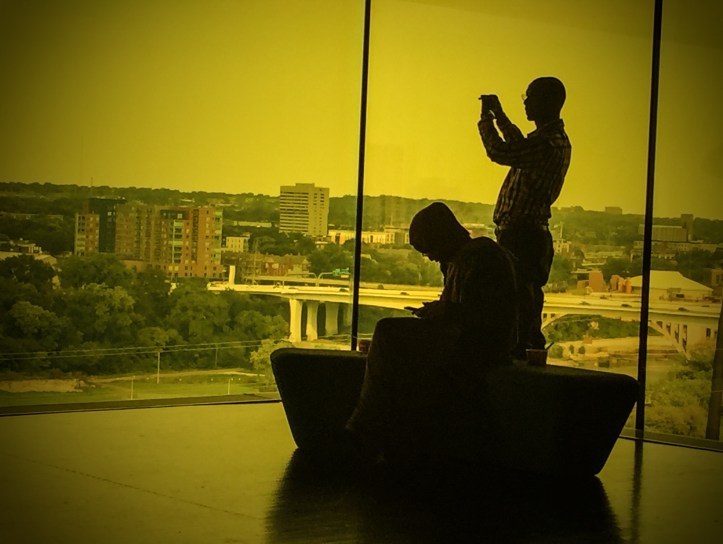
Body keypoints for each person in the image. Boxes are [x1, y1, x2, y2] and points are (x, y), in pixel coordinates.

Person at [345, 202, 518, 466]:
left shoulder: (479, 258)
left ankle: (364, 425)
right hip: (470, 341)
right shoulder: (471, 257)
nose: (430, 257)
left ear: (443, 237)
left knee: (387, 332)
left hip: (478, 346)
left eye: (429, 249)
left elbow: (484, 315)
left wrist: (444, 310)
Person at [477, 77, 572, 360]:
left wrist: (486, 119)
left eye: (530, 97)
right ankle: (524, 356)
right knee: (524, 302)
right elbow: (519, 146)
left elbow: (500, 151)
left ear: (547, 102)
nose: (526, 102)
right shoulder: (550, 141)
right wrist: (500, 116)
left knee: (517, 304)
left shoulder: (547, 144)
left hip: (522, 236)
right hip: (528, 235)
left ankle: (519, 360)